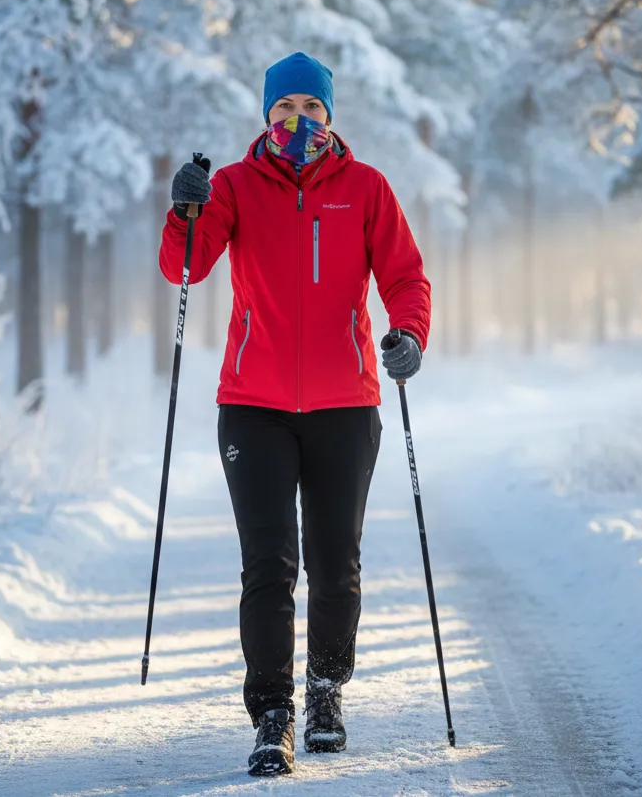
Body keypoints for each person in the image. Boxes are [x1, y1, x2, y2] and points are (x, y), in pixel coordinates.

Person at [158, 51, 430, 776]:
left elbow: (405, 276)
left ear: (330, 116)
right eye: (284, 108)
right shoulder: (236, 187)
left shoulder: (367, 189)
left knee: (336, 564)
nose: (297, 120)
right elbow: (184, 266)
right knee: (269, 565)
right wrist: (186, 206)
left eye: (311, 108)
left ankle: (325, 691)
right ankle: (272, 712)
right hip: (253, 407)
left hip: (347, 405)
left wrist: (407, 335)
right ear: (266, 115)